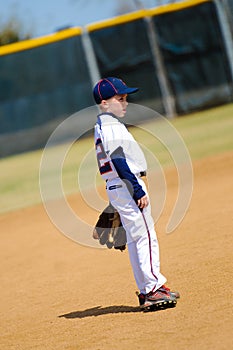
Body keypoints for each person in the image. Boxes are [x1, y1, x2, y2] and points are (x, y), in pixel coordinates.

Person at [93, 77, 179, 310]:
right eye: (119, 99)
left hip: (118, 186)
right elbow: (119, 159)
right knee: (146, 236)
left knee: (135, 239)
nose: (125, 103)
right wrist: (137, 188)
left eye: (126, 98)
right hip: (126, 185)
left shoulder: (103, 125)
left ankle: (146, 289)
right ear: (104, 103)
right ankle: (153, 289)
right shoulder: (111, 126)